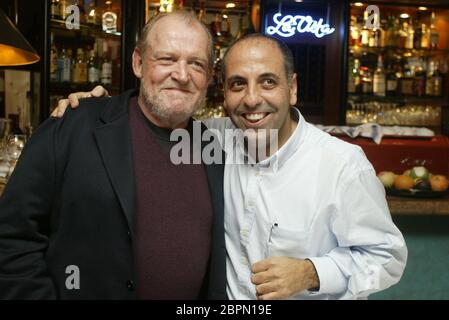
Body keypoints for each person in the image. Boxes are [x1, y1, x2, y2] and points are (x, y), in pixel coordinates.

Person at [55, 33, 407, 300]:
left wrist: (311, 272)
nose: (252, 99)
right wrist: (94, 109)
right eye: (238, 84)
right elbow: (150, 117)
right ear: (223, 93)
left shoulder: (341, 165)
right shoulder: (210, 139)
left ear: (293, 88)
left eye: (268, 82)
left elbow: (387, 258)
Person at [0, 11, 226, 299]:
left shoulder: (214, 149)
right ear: (138, 63)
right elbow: (11, 236)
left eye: (196, 64)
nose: (181, 75)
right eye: (167, 59)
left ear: (207, 77)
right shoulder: (74, 125)